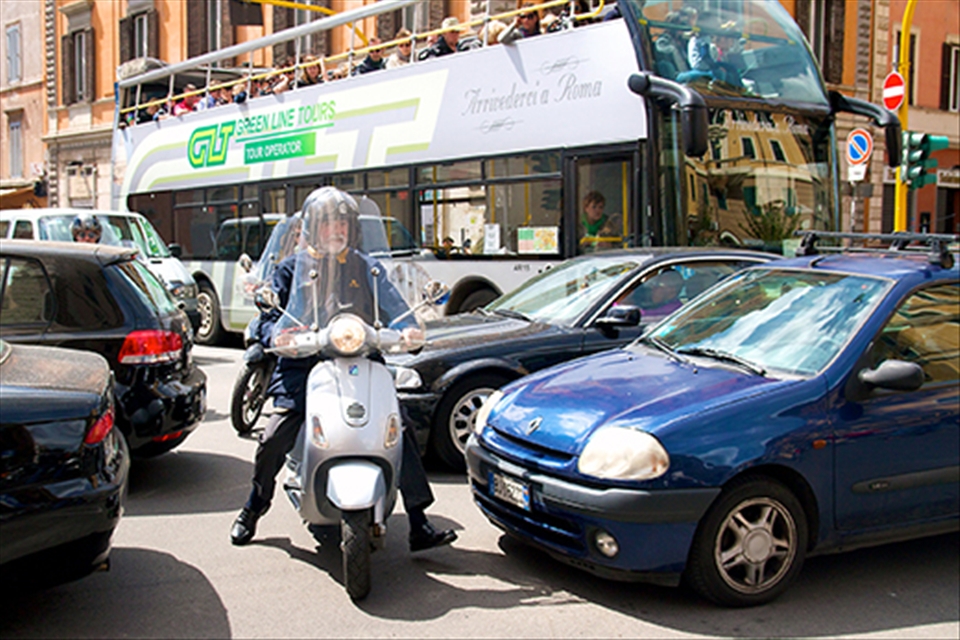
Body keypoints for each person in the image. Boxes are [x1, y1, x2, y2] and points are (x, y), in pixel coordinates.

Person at [230, 187, 457, 553]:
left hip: (361, 360)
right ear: (313, 227)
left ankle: (418, 521)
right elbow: (268, 317)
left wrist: (409, 328)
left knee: (399, 427)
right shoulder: (291, 268)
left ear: (351, 227)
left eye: (342, 223)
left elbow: (393, 304)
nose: (336, 230)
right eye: (328, 223)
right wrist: (280, 334)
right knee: (274, 435)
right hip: (305, 365)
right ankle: (254, 507)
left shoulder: (367, 266)